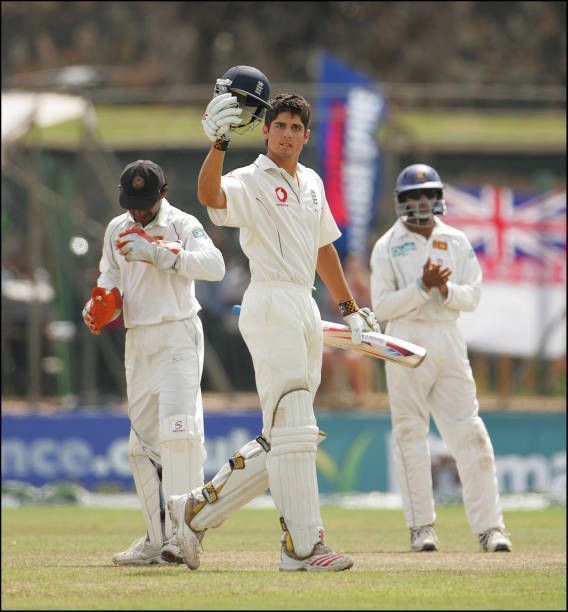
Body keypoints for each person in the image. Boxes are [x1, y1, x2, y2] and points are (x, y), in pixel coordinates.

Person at [167, 65, 378, 572]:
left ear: (306, 135)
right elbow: (210, 197)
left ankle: (196, 510)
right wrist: (218, 143)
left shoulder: (311, 183)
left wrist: (349, 308)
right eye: (278, 126)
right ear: (265, 131)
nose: (286, 134)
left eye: (295, 128)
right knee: (296, 426)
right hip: (269, 300)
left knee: (288, 433)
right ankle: (302, 548)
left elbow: (324, 247)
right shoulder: (249, 178)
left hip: (305, 304)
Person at [82, 159, 225, 565]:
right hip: (138, 338)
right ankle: (154, 538)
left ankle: (184, 538)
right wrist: (97, 307)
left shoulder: (181, 223)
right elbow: (109, 281)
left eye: (146, 203)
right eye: (132, 203)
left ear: (162, 194)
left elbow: (215, 266)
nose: (139, 211)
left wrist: (163, 255)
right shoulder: (116, 228)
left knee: (179, 435)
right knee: (140, 446)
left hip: (177, 333)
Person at [369, 163, 512, 553]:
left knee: (470, 432)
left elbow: (474, 295)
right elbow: (382, 305)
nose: (421, 202)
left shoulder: (457, 241)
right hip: (404, 339)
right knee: (410, 434)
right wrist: (421, 287)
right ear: (401, 202)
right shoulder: (387, 246)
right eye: (413, 197)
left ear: (438, 198)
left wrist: (445, 290)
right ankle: (421, 528)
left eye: (427, 195)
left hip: (447, 337)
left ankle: (490, 528)